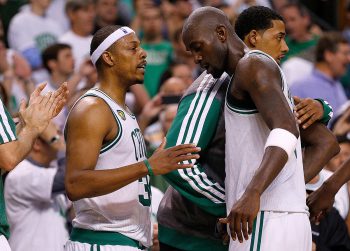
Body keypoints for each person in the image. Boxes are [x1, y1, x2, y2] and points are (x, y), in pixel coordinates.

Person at [157, 6, 338, 251]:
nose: (196, 59)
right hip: (214, 225)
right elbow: (178, 162)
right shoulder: (250, 72)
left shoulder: (250, 69)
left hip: (259, 217)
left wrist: (250, 196)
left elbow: (292, 131)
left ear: (222, 33)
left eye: (198, 47)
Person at [64, 25, 200, 251]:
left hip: (126, 241)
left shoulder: (123, 109)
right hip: (101, 241)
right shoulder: (93, 108)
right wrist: (147, 166)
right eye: (133, 48)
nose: (143, 53)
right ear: (108, 58)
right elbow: (75, 184)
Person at [0, 82, 68, 251]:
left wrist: (27, 126)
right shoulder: (20, 174)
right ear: (37, 144)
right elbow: (8, 158)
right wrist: (34, 128)